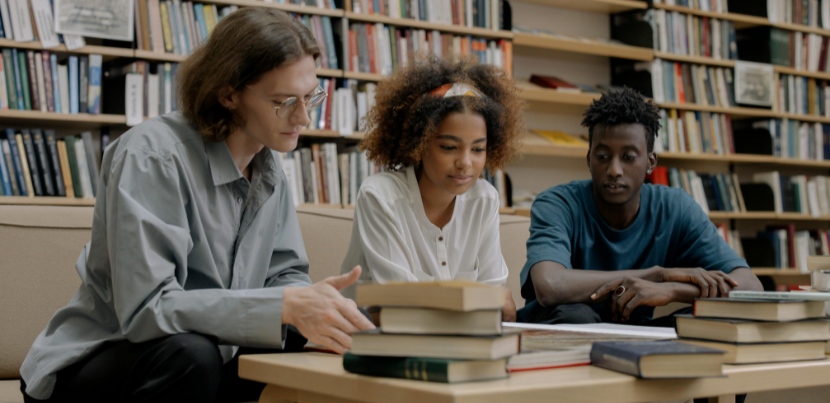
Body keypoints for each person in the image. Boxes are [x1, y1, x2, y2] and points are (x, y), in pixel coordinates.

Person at [19, 8, 373, 403]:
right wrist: (282, 305)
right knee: (193, 355)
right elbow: (147, 309)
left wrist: (311, 306)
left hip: (206, 352)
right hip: (100, 358)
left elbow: (284, 273)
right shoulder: (152, 157)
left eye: (311, 97)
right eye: (284, 100)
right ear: (228, 94)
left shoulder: (269, 168)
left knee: (301, 341)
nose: (304, 116)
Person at [517, 88, 763, 327]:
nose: (614, 170)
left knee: (712, 317)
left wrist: (670, 289)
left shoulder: (675, 208)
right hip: (559, 331)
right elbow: (550, 285)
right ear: (589, 159)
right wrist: (656, 275)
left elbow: (750, 287)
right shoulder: (558, 203)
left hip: (635, 336)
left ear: (650, 162)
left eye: (628, 157)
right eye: (602, 156)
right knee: (577, 315)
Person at [339, 56, 525, 321]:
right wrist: (481, 304)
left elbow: (498, 304)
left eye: (478, 149)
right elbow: (400, 309)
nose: (465, 163)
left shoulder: (485, 199)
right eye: (449, 147)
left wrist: (490, 303)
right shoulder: (380, 197)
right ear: (420, 143)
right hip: (368, 347)